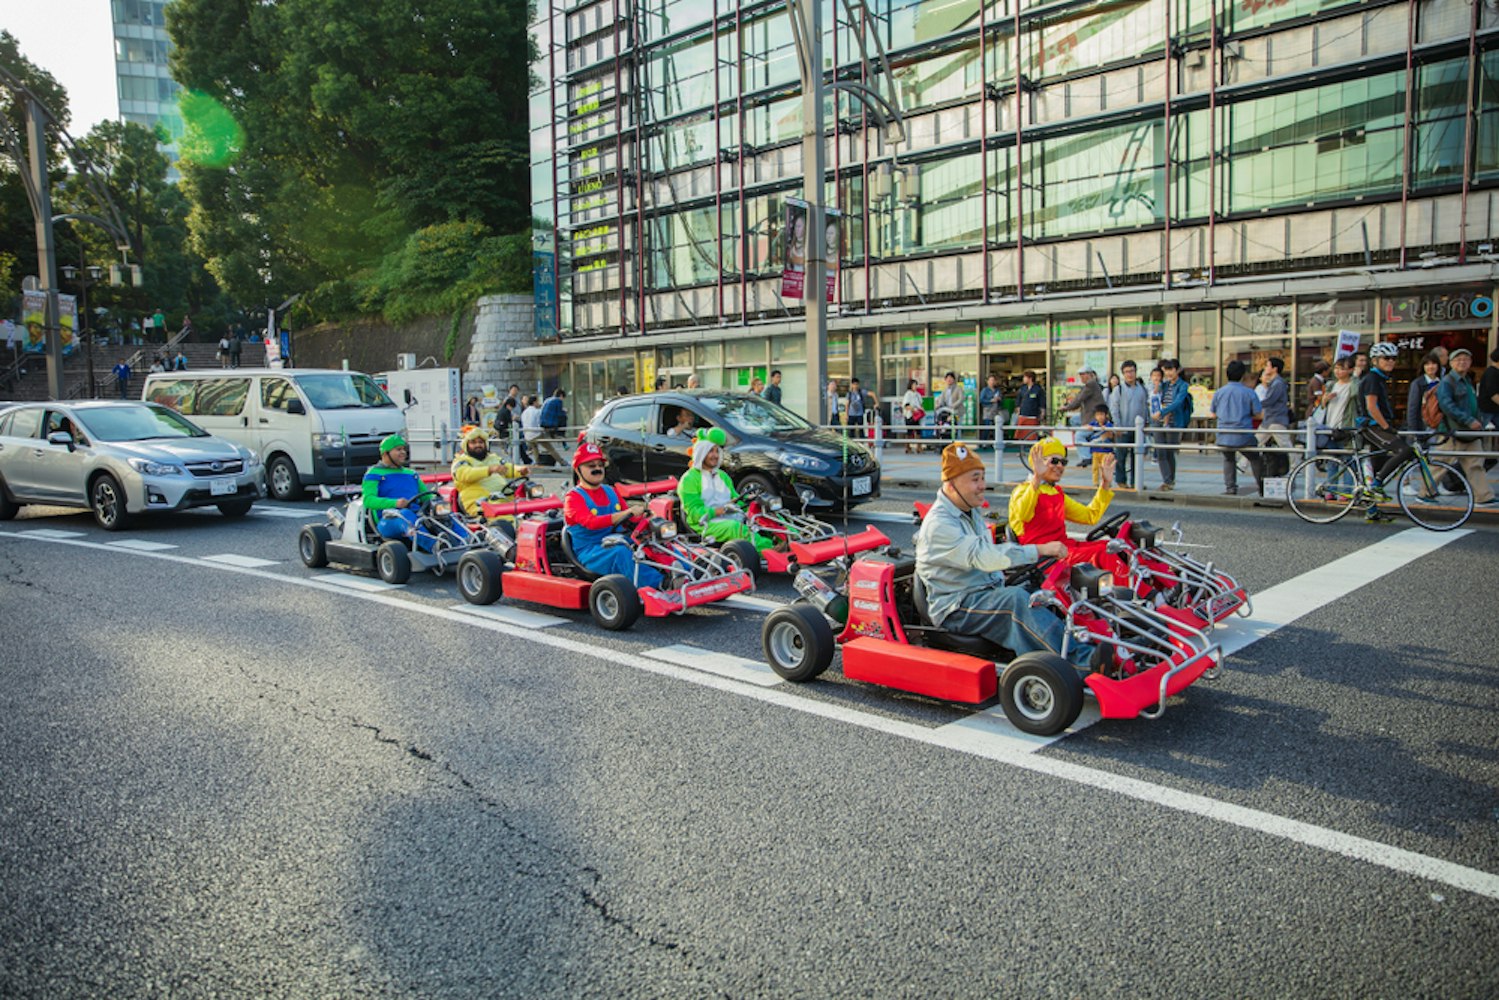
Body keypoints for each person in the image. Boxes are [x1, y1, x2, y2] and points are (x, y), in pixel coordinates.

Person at [918, 441, 1112, 674]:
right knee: (1016, 602)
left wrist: (1106, 485)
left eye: (982, 478)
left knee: (1046, 595)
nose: (982, 486)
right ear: (951, 485)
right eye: (975, 479)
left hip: (984, 590)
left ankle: (1099, 640)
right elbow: (986, 558)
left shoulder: (969, 511)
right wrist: (1040, 549)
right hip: (957, 605)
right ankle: (1081, 661)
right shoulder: (941, 523)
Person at [563, 442, 663, 588]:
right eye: (591, 466)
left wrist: (646, 516)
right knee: (621, 553)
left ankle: (687, 572)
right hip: (591, 551)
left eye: (600, 465)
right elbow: (591, 522)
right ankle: (659, 583)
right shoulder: (573, 498)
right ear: (578, 470)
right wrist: (627, 512)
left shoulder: (610, 491)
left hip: (616, 539)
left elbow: (630, 518)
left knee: (654, 541)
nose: (597, 469)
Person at [678, 428, 780, 553]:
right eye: (710, 451)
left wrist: (751, 504)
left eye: (717, 451)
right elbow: (695, 514)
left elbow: (736, 498)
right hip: (705, 524)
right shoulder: (689, 479)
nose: (715, 455)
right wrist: (719, 511)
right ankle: (771, 551)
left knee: (768, 514)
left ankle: (795, 541)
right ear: (701, 453)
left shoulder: (722, 475)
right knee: (735, 528)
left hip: (731, 515)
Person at [1435, 349, 1496, 506]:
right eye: (1458, 359)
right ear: (1451, 363)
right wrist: (1469, 420)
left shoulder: (1467, 380)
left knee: (1476, 463)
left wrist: (1479, 421)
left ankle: (1484, 496)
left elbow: (1473, 404)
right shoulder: (1448, 381)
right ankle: (1425, 492)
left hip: (1469, 431)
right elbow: (1447, 405)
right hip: (1453, 430)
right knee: (1441, 463)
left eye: (1466, 359)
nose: (1462, 362)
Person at [1355, 342, 1414, 504]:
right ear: (1375, 360)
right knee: (1405, 450)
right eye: (1386, 358)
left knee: (1378, 466)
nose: (1391, 361)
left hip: (1378, 425)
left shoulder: (1380, 378)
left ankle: (1372, 509)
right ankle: (1376, 484)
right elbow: (1371, 407)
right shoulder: (1373, 378)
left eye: (1393, 358)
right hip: (1373, 426)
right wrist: (1387, 427)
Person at [450, 425, 531, 517]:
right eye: (473, 442)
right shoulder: (461, 461)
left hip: (504, 500)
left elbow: (506, 467)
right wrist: (489, 470)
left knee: (534, 511)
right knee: (508, 520)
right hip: (480, 505)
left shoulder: (492, 458)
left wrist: (519, 470)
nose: (478, 445)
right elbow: (464, 474)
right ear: (466, 445)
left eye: (481, 442)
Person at [1211, 359, 1265, 496]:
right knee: (1254, 457)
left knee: (1228, 458)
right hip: (1243, 435)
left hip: (1223, 435)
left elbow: (1212, 414)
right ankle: (1262, 486)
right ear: (1243, 375)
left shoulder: (1219, 392)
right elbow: (1258, 414)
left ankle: (1230, 488)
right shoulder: (1249, 392)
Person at [1107, 360, 1149, 489]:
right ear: (1123, 374)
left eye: (1131, 371)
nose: (1129, 374)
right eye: (1126, 372)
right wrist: (1118, 426)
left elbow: (1145, 407)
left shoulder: (1142, 389)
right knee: (1120, 455)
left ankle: (1136, 481)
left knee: (1137, 457)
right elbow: (1114, 408)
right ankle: (1121, 481)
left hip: (1138, 429)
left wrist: (1146, 424)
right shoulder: (1118, 390)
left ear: (1135, 372)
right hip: (1123, 428)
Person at [1153, 359, 1192, 491]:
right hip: (1159, 422)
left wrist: (1162, 412)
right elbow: (1156, 398)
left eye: (1171, 370)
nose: (1169, 373)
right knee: (1160, 452)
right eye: (1166, 370)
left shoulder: (1183, 386)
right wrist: (1156, 385)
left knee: (1169, 452)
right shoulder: (1164, 385)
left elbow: (1177, 402)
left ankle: (1170, 480)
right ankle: (1167, 480)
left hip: (1173, 422)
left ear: (1177, 370)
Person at [1256, 357, 1292, 478]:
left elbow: (1270, 400)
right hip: (1270, 419)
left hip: (1276, 419)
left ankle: (1296, 466)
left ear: (1274, 369)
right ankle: (1242, 465)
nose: (1266, 368)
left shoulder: (1278, 383)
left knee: (1285, 445)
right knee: (1256, 442)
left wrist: (1256, 405)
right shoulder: (1275, 382)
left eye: (1267, 365)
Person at [1079, 405, 1115, 488]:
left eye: (1102, 414)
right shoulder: (1094, 423)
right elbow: (1087, 427)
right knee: (1095, 468)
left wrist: (1105, 429)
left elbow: (1111, 434)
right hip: (1095, 449)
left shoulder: (1109, 424)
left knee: (1104, 467)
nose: (1100, 417)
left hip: (1106, 450)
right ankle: (1095, 482)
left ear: (1106, 415)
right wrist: (1089, 427)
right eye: (1098, 415)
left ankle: (1106, 482)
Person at [1015, 370, 1045, 442]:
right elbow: (1018, 400)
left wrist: (1042, 412)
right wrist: (1018, 410)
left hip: (1033, 415)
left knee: (1032, 435)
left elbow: (1042, 402)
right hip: (1023, 414)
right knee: (1021, 435)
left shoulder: (1038, 389)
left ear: (1030, 378)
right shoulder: (1022, 388)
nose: (1023, 379)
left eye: (1025, 377)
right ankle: (1021, 450)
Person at [901, 378, 925, 452]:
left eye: (916, 385)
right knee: (909, 432)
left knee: (918, 431)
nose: (915, 386)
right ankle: (907, 447)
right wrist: (913, 410)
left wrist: (921, 410)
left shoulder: (918, 394)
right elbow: (906, 405)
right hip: (910, 415)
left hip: (918, 415)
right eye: (914, 385)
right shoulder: (908, 394)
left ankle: (919, 447)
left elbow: (921, 403)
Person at [521, 394, 544, 464]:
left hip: (527, 435)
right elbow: (539, 423)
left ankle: (537, 462)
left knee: (535, 448)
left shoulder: (524, 412)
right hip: (536, 434)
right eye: (537, 401)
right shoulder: (537, 411)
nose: (538, 403)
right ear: (534, 402)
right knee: (550, 448)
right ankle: (562, 462)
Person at [979, 374, 1002, 444]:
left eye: (993, 380)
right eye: (991, 380)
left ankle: (995, 442)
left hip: (996, 411)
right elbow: (981, 400)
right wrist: (990, 401)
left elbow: (1001, 401)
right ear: (988, 381)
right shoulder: (985, 390)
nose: (992, 382)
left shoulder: (997, 390)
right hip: (988, 411)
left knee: (996, 428)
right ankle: (983, 442)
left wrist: (999, 399)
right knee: (987, 427)